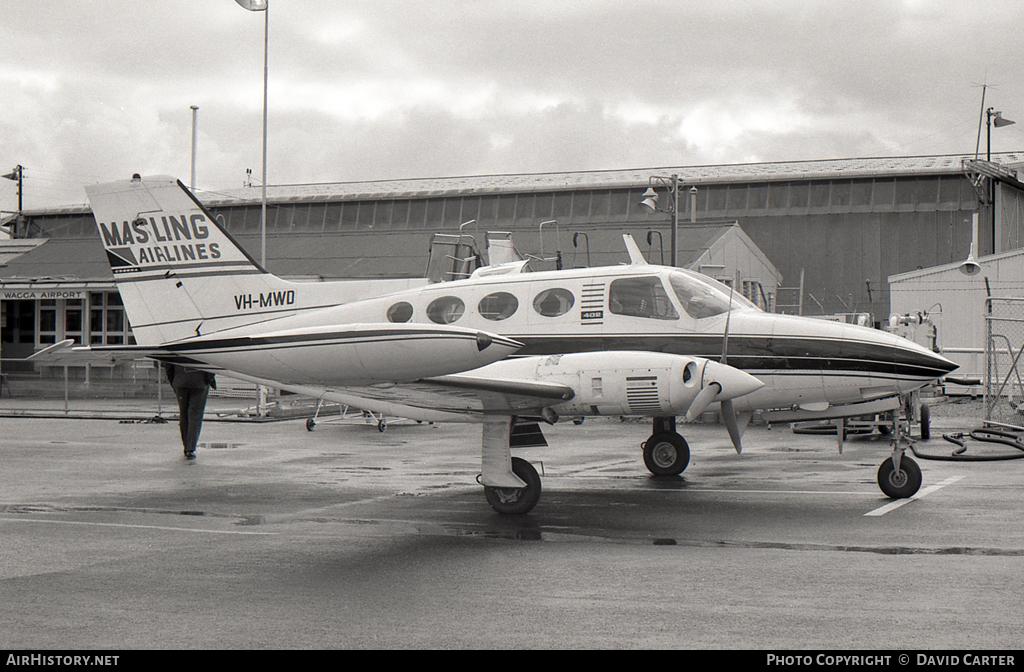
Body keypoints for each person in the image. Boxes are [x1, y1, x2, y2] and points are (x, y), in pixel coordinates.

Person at [164, 363, 216, 460]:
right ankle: (190, 448)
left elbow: (168, 365)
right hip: (200, 382)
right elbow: (211, 362)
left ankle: (186, 445)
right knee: (195, 415)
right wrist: (208, 379)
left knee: (184, 414)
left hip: (180, 381)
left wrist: (174, 381)